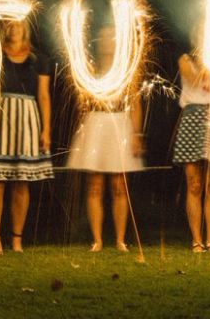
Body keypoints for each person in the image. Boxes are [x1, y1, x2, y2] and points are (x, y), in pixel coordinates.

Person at [0, 20, 54, 256]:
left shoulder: (40, 60)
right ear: (5, 26)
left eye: (19, 23)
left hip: (27, 118)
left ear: (26, 25)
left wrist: (46, 129)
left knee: (21, 182)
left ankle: (17, 239)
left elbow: (44, 96)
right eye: (10, 23)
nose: (14, 27)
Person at [66, 27, 145, 252]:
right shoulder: (89, 70)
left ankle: (120, 239)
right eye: (104, 38)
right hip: (96, 124)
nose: (108, 42)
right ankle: (97, 240)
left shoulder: (128, 70)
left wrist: (136, 134)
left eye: (112, 37)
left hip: (120, 124)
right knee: (95, 185)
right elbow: (82, 103)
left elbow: (136, 104)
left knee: (120, 185)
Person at [172, 51, 210, 253]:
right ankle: (196, 239)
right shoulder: (185, 59)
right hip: (192, 118)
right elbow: (195, 80)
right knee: (195, 184)